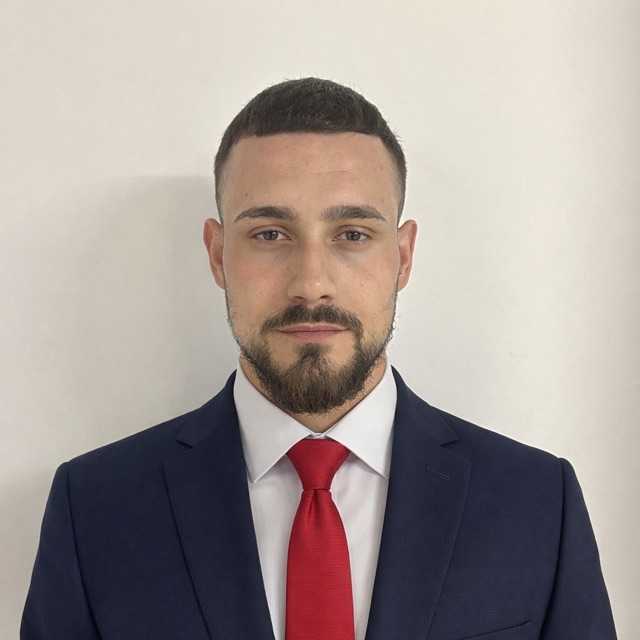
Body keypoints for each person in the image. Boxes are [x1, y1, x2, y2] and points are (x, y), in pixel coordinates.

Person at [20, 77, 617, 640]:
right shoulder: (94, 508)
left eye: (352, 234)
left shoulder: (539, 503)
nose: (311, 284)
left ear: (403, 256)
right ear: (218, 253)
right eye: (270, 234)